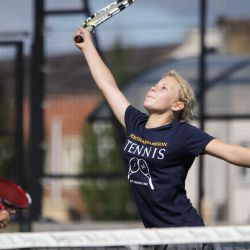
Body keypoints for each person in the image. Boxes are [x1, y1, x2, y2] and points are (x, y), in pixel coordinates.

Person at [74, 28, 250, 230]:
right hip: (156, 236)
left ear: (177, 105)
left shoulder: (183, 134)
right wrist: (87, 47)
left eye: (163, 88)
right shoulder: (135, 123)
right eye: (155, 85)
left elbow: (231, 151)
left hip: (186, 236)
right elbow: (108, 86)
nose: (154, 88)